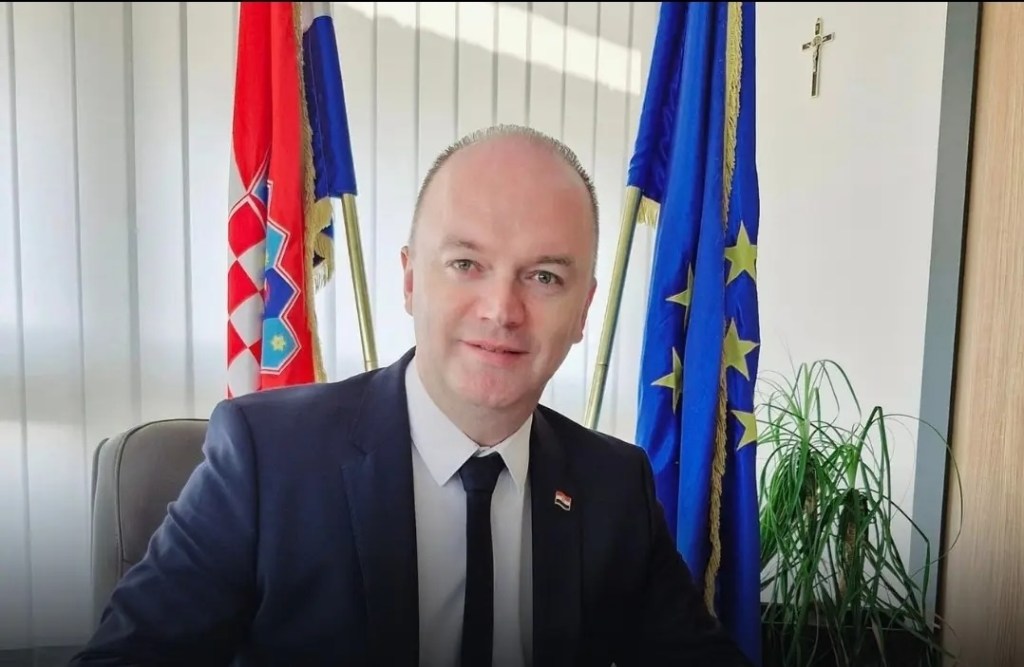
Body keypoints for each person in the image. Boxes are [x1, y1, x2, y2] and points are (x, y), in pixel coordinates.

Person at [70, 124, 752, 667]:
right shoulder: (268, 461)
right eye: (466, 264)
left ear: (583, 311)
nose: (501, 310)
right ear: (409, 280)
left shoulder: (614, 485)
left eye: (544, 277)